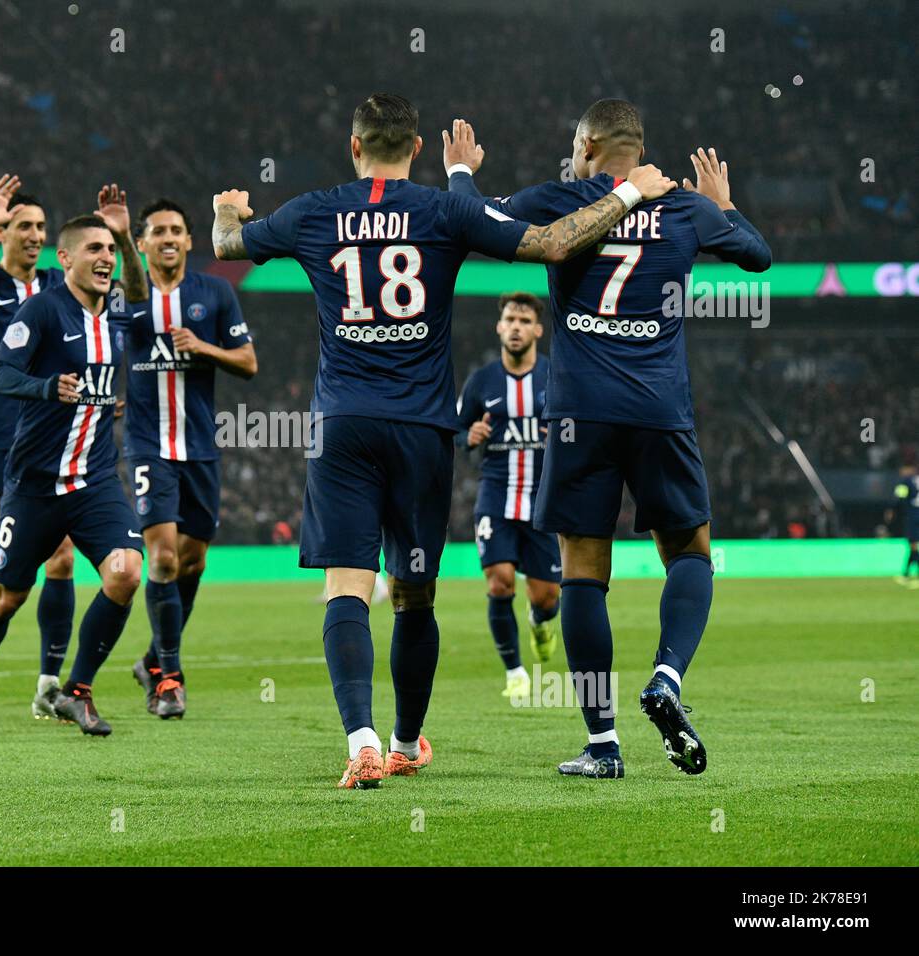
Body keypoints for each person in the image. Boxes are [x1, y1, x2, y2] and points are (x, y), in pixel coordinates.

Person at [212, 92, 675, 788]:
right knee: (414, 594)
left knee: (347, 586)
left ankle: (360, 740)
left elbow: (226, 246)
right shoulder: (444, 210)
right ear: (418, 148)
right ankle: (404, 742)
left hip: (342, 425)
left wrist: (226, 210)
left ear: (354, 145)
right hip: (423, 432)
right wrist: (631, 193)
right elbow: (552, 242)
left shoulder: (314, 210)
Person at [445, 100, 771, 777]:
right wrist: (724, 207)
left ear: (589, 144)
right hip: (660, 410)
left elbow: (472, 222)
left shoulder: (562, 198)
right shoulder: (686, 208)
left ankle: (603, 746)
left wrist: (461, 172)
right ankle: (668, 678)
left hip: (580, 413)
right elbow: (759, 257)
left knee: (583, 574)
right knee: (690, 553)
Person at [0, 208, 148, 738]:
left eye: (110, 250)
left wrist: (127, 236)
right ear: (64, 259)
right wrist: (47, 388)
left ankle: (76, 691)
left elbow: (140, 287)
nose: (105, 258)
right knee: (5, 597)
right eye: (95, 249)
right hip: (35, 485)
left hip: (95, 480)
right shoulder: (41, 311)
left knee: (127, 572)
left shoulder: (116, 314)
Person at [124, 198, 258, 719]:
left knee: (193, 560)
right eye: (157, 232)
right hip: (147, 445)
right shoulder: (126, 298)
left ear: (189, 240)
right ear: (142, 244)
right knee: (160, 558)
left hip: (200, 447)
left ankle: (154, 657)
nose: (169, 238)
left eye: (177, 230)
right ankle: (169, 680)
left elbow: (247, 362)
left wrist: (205, 349)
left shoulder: (215, 292)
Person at [455, 292, 560, 699]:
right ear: (499, 327)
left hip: (543, 501)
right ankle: (515, 671)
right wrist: (469, 436)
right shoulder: (482, 380)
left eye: (523, 320)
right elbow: (455, 428)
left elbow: (577, 428)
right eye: (509, 319)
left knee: (547, 595)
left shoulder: (555, 375)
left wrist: (563, 438)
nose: (515, 327)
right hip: (496, 495)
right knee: (499, 583)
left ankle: (539, 619)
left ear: (537, 329)